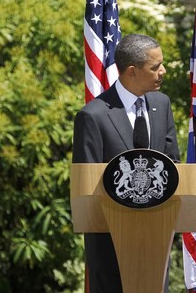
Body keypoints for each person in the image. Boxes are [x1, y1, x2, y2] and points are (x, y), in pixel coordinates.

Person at [73, 33, 180, 293]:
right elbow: (86, 188)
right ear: (132, 71)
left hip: (155, 244)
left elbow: (173, 165)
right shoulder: (93, 116)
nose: (163, 71)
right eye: (155, 67)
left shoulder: (162, 104)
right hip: (110, 250)